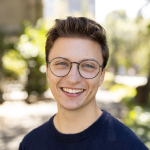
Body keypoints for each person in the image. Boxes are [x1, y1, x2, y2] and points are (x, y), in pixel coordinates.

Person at [19, 16, 148, 150]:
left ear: (101, 76)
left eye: (88, 65)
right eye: (62, 63)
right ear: (48, 72)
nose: (73, 79)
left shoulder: (129, 146)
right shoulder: (30, 144)